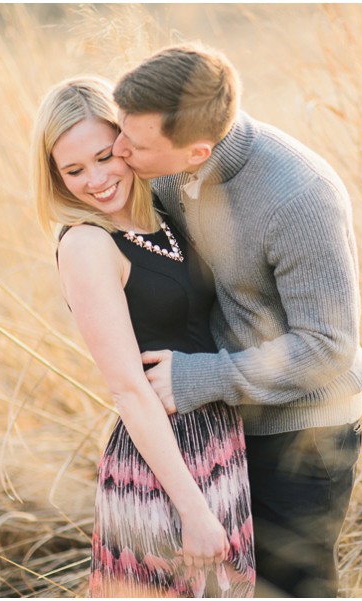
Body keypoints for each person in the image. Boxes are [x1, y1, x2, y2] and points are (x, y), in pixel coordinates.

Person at [111, 44, 362, 597]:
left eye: (134, 145)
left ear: (195, 151)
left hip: (302, 436)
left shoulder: (299, 196)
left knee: (292, 591)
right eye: (120, 131)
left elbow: (329, 347)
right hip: (217, 427)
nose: (118, 150)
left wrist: (199, 378)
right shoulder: (165, 171)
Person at [32, 76, 255, 598]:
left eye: (106, 156)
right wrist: (194, 512)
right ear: (55, 177)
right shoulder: (87, 245)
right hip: (165, 469)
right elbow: (129, 389)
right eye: (74, 170)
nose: (97, 179)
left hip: (219, 447)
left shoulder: (163, 218)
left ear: (128, 145)